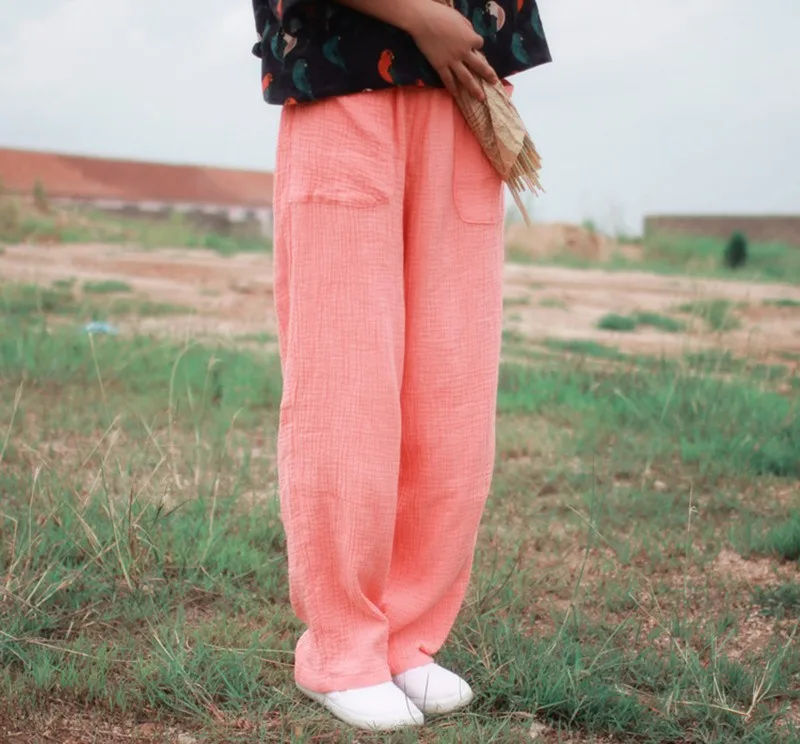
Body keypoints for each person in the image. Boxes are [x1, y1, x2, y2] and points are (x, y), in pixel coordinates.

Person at [250, 0, 550, 730]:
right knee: (344, 384)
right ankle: (341, 650)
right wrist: (417, 15)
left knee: (452, 389)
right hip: (344, 79)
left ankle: (405, 637)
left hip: (463, 90)